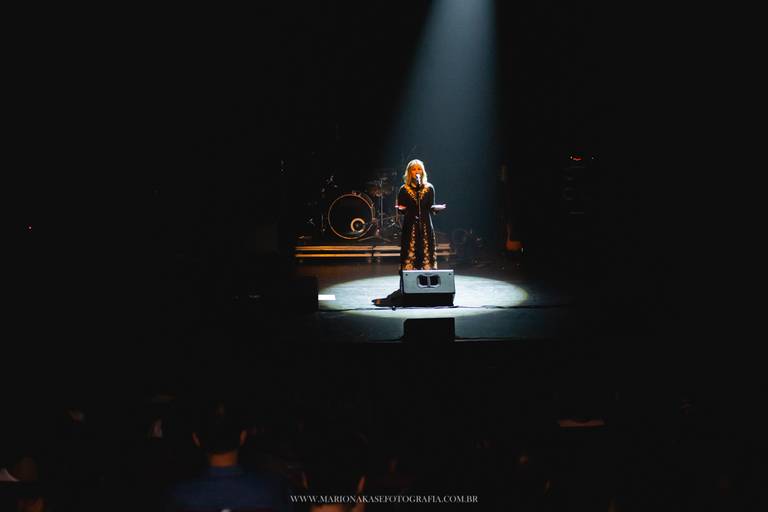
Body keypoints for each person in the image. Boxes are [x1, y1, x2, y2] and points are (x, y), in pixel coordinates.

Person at [396, 159, 445, 271]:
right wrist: (401, 209)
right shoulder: (403, 189)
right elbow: (401, 209)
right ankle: (409, 275)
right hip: (410, 224)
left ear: (423, 171)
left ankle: (428, 276)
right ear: (409, 172)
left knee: (426, 249)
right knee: (410, 249)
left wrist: (436, 208)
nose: (417, 171)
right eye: (414, 169)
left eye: (419, 169)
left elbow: (430, 207)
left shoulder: (429, 188)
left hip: (425, 224)